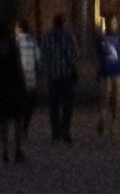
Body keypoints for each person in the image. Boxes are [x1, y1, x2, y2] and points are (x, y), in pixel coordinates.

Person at [0, 20, 26, 164]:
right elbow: (18, 65)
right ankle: (18, 149)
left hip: (0, 85)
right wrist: (22, 82)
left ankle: (5, 150)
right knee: (17, 119)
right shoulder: (13, 45)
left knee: (3, 121)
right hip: (13, 84)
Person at [40, 12, 79, 143]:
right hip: (66, 74)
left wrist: (45, 72)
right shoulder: (69, 36)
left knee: (54, 105)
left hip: (53, 76)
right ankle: (65, 129)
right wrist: (71, 63)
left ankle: (55, 131)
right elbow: (75, 53)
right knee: (67, 104)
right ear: (63, 23)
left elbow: (43, 56)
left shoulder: (47, 37)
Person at [95, 14, 120, 135]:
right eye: (110, 22)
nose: (112, 25)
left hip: (118, 72)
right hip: (105, 73)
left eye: (114, 22)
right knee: (104, 98)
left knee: (116, 99)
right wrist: (97, 70)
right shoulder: (101, 39)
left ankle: (113, 123)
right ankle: (102, 119)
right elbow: (97, 57)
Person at [14, 18, 39, 151]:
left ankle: (19, 129)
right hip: (31, 77)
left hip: (19, 78)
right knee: (30, 104)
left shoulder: (16, 42)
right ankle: (25, 127)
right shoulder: (33, 42)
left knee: (19, 104)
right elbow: (38, 59)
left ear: (19, 28)